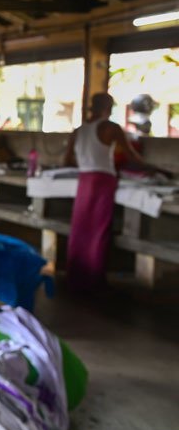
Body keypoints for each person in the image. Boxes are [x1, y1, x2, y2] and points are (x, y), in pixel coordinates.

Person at [63, 92, 148, 291]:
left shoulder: (79, 130)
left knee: (81, 229)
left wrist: (86, 162)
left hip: (84, 180)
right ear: (108, 107)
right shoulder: (110, 127)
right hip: (103, 181)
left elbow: (66, 161)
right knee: (99, 231)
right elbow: (132, 156)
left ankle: (75, 276)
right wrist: (155, 169)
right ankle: (94, 280)